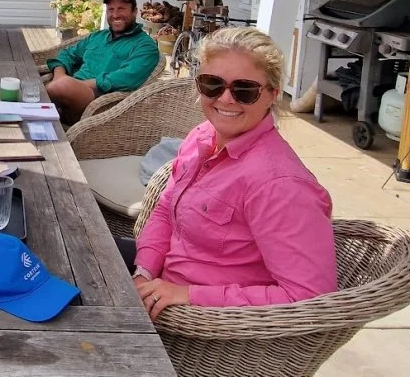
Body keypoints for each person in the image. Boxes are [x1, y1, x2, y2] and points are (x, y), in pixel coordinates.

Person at [120, 27, 337, 320]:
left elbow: (311, 298)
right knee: (65, 256)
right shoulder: (202, 137)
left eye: (244, 90)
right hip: (160, 284)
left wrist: (189, 295)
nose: (225, 99)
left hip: (197, 321)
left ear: (272, 94)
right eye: (212, 84)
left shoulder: (280, 184)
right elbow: (164, 210)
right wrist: (143, 272)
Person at [45, 0, 160, 123]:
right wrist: (60, 76)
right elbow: (67, 54)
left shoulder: (145, 45)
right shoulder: (98, 37)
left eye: (121, 8)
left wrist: (75, 84)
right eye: (111, 9)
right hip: (67, 92)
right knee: (39, 86)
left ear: (134, 12)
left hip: (98, 102)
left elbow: (127, 77)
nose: (115, 14)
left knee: (49, 89)